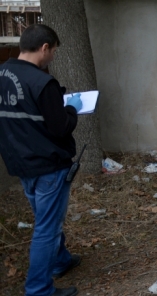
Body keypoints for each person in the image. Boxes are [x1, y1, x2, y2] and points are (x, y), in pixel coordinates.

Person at [0, 24, 83, 296]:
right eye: (54, 51)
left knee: (44, 217)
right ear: (44, 48)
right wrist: (71, 108)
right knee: (46, 227)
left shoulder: (3, 74)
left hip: (20, 161)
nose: (53, 57)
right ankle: (38, 290)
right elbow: (60, 127)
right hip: (48, 165)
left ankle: (60, 260)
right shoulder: (42, 83)